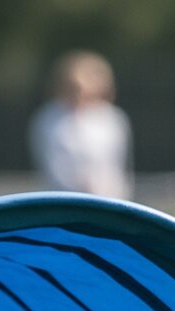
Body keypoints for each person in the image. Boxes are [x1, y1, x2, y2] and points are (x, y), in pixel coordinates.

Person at [29, 51, 133, 200]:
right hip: (63, 199)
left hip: (108, 200)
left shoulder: (113, 118)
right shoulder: (48, 118)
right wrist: (78, 186)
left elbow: (117, 167)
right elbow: (52, 166)